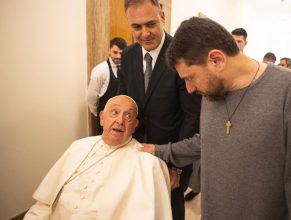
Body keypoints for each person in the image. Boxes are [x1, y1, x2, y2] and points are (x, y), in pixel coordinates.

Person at [140, 17, 291, 219]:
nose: (189, 89)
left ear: (217, 60)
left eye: (190, 77)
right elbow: (209, 141)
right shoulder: (211, 92)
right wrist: (161, 151)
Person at [24, 95, 172, 219]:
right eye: (114, 112)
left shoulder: (147, 163)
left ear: (135, 125)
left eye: (128, 116)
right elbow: (45, 203)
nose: (120, 121)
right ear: (102, 118)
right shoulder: (78, 146)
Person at [119, 1, 201, 219]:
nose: (144, 33)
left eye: (150, 24)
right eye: (136, 27)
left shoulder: (182, 55)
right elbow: (123, 99)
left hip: (172, 155)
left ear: (162, 17)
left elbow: (192, 117)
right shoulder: (128, 55)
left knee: (170, 210)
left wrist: (177, 167)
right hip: (136, 151)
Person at [87, 37, 127, 134]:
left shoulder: (127, 68)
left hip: (122, 119)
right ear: (109, 50)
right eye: (115, 52)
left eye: (121, 53)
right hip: (106, 118)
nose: (118, 56)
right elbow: (91, 96)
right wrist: (99, 114)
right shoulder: (100, 70)